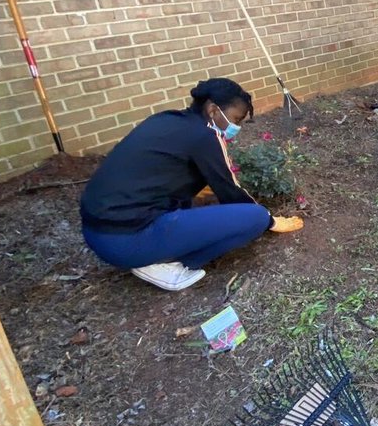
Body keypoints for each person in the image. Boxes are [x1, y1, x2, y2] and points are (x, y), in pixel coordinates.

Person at [80, 78, 302, 291]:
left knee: (201, 201)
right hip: (128, 241)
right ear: (213, 110)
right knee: (255, 218)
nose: (236, 127)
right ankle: (169, 264)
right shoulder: (205, 135)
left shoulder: (166, 119)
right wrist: (269, 219)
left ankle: (154, 252)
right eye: (235, 120)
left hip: (96, 231)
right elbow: (230, 190)